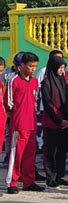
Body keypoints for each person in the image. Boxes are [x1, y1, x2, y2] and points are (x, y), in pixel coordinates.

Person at [4, 52, 45, 194]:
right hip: (19, 123)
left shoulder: (35, 81)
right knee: (16, 154)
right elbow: (8, 103)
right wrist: (14, 116)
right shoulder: (13, 80)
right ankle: (12, 182)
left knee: (30, 154)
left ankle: (29, 181)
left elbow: (35, 100)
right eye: (30, 66)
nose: (33, 69)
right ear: (21, 66)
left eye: (35, 66)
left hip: (32, 123)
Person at [41, 56, 68, 189]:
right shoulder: (46, 82)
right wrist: (58, 120)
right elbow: (48, 104)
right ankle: (51, 178)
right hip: (52, 122)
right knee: (51, 151)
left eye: (63, 68)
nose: (62, 71)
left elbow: (66, 100)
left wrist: (67, 119)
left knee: (61, 150)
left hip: (63, 122)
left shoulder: (62, 81)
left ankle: (59, 176)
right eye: (60, 68)